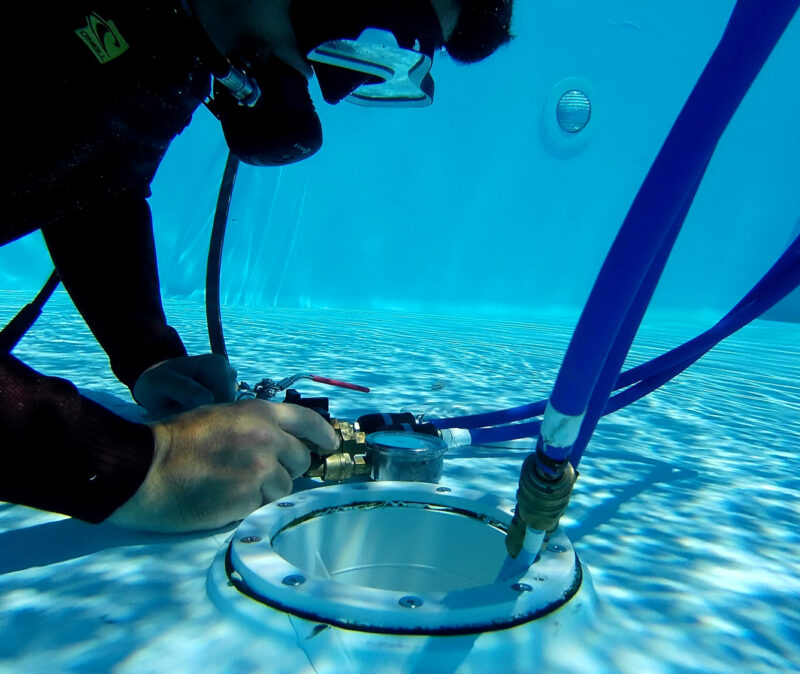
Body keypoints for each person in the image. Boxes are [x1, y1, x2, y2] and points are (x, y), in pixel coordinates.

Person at [0, 0, 514, 533]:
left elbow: (98, 188)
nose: (332, 80)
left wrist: (146, 353)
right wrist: (131, 465)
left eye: (390, 51)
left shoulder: (175, 50)